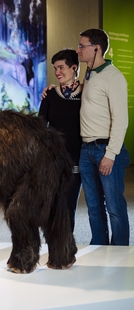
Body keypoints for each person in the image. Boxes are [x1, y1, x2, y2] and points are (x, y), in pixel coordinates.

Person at [76, 28, 130, 245]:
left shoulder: (114, 77)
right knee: (94, 208)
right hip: (86, 150)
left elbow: (121, 119)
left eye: (82, 46)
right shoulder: (89, 73)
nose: (78, 50)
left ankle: (120, 254)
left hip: (105, 150)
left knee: (115, 207)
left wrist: (110, 154)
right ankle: (99, 248)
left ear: (96, 48)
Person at [38, 49, 82, 232]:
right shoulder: (49, 95)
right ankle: (54, 245)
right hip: (54, 160)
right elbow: (40, 127)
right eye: (55, 68)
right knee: (53, 205)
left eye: (61, 67)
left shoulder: (87, 94)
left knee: (69, 205)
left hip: (78, 159)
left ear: (74, 67)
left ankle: (66, 247)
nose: (57, 72)